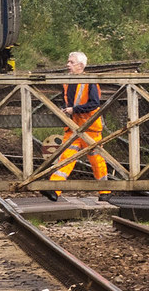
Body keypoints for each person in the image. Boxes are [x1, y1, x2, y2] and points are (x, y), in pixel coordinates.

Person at [43, 50, 109, 201]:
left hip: (89, 128)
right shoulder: (67, 82)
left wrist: (74, 109)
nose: (68, 65)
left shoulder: (90, 81)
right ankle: (54, 190)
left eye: (71, 62)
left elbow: (94, 104)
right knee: (65, 157)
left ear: (80, 65)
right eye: (68, 62)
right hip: (73, 127)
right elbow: (67, 100)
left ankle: (105, 192)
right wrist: (65, 109)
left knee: (96, 160)